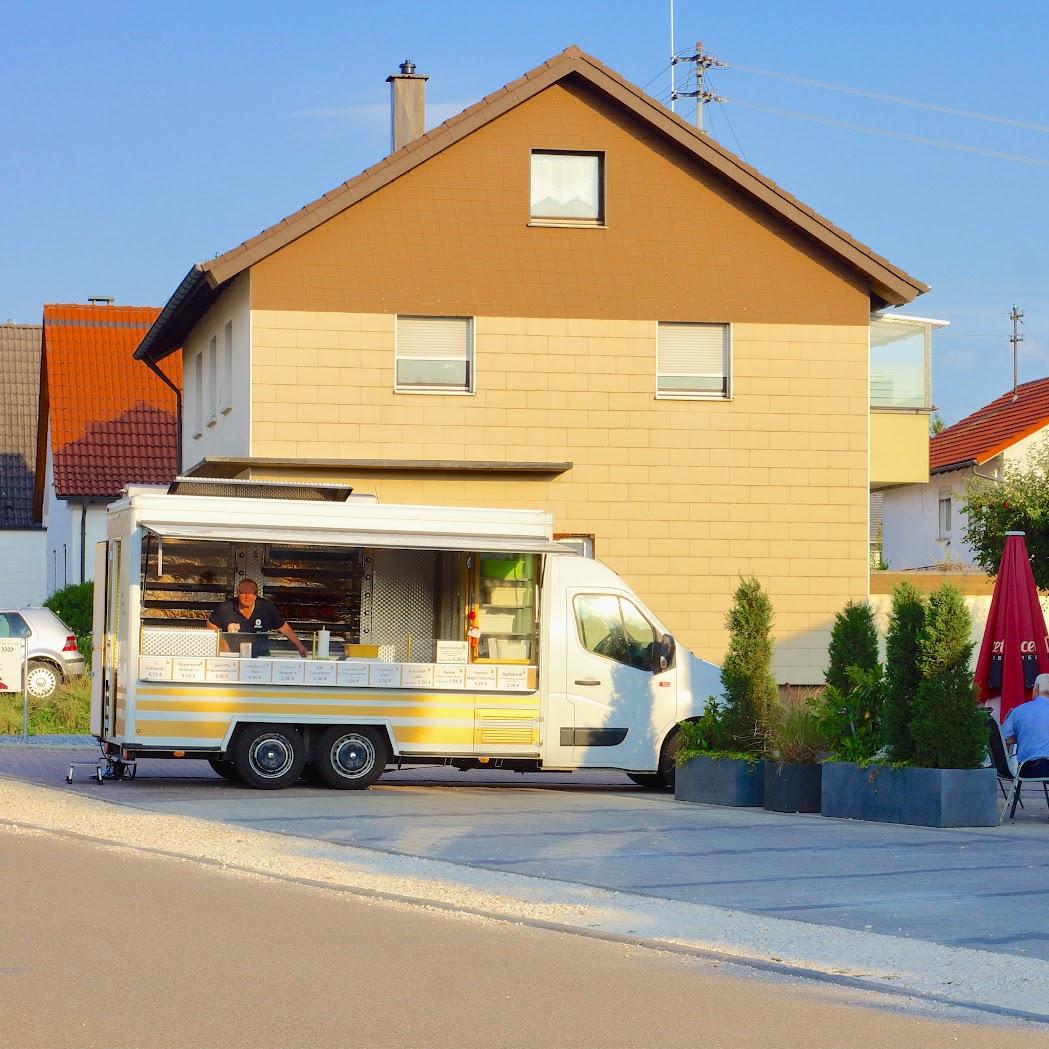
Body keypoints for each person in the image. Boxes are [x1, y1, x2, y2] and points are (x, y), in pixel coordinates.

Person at [208, 579, 308, 658]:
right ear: (238, 593)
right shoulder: (226, 607)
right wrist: (220, 642)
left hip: (261, 656)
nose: (247, 597)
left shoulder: (266, 607)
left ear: (256, 595)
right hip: (234, 656)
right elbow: (211, 622)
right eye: (244, 593)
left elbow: (282, 626)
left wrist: (299, 645)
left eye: (251, 593)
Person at [1002, 672, 1049, 777]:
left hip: (1029, 769)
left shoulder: (1018, 711)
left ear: (1036, 688)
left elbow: (1003, 738)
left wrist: (1025, 735)